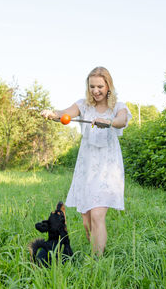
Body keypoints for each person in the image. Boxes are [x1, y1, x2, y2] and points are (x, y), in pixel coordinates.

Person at [41, 67, 132, 255]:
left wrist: (109, 122)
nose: (96, 90)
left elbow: (122, 120)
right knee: (87, 220)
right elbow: (65, 112)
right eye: (92, 86)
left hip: (108, 166)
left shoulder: (117, 106)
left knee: (98, 215)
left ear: (108, 86)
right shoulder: (83, 105)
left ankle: (97, 261)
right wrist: (53, 113)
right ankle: (95, 248)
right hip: (87, 166)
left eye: (100, 86)